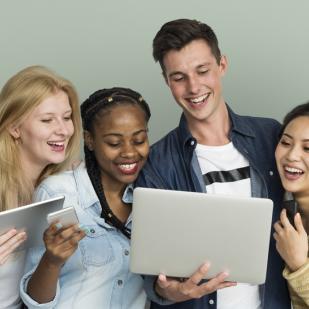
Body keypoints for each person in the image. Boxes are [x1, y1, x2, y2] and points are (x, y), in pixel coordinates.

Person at [135, 18, 291, 308]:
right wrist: (172, 292)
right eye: (179, 77)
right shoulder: (156, 161)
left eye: (202, 71)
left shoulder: (270, 136)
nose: (194, 87)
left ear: (222, 65)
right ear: (167, 81)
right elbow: (151, 271)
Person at [20, 87, 151, 308]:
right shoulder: (57, 193)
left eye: (139, 140)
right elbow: (35, 302)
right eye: (114, 143)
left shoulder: (154, 197)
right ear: (89, 140)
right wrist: (52, 261)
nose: (129, 152)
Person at [0, 65, 81, 309]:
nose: (64, 130)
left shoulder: (71, 183)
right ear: (15, 128)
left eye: (67, 118)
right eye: (47, 120)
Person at [274, 102, 309, 309]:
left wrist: (299, 265)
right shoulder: (286, 215)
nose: (291, 156)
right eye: (286, 143)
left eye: (308, 148)